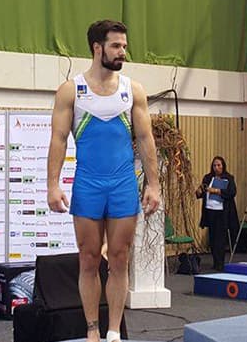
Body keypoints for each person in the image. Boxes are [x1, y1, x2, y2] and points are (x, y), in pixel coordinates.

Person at [47, 19, 161, 342]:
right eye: (116, 46)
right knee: (89, 258)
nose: (122, 51)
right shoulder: (72, 91)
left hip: (123, 183)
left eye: (124, 46)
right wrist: (52, 185)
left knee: (120, 258)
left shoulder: (132, 91)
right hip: (88, 184)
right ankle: (92, 329)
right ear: (97, 48)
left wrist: (153, 184)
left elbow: (145, 138)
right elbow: (58, 139)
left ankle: (113, 330)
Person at [195, 156, 238, 271]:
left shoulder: (228, 178)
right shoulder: (208, 177)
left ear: (223, 166)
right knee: (212, 237)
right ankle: (215, 261)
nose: (216, 167)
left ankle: (220, 263)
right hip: (210, 210)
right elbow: (201, 192)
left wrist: (217, 191)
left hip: (222, 212)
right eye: (214, 165)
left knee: (220, 239)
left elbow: (232, 192)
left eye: (219, 165)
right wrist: (199, 191)